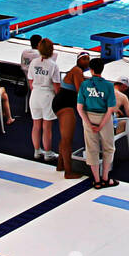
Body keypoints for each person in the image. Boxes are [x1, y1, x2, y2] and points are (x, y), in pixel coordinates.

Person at [76, 64, 118, 188]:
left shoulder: (84, 85)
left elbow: (79, 108)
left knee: (91, 149)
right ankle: (105, 178)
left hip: (88, 117)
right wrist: (101, 126)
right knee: (109, 148)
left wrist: (89, 124)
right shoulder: (109, 86)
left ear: (91, 70)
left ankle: (97, 180)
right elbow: (110, 109)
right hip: (104, 118)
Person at [53, 51, 89, 179]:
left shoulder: (76, 71)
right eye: (84, 59)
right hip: (64, 105)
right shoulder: (77, 71)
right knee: (68, 140)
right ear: (78, 60)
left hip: (61, 103)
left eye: (88, 59)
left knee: (64, 137)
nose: (86, 61)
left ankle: (60, 165)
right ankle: (68, 172)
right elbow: (80, 92)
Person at [27, 36, 60, 162]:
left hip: (35, 95)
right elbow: (57, 86)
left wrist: (36, 90)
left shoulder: (34, 62)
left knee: (36, 125)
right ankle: (47, 152)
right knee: (47, 127)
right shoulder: (53, 65)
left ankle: (36, 151)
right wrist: (58, 98)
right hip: (47, 96)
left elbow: (30, 81)